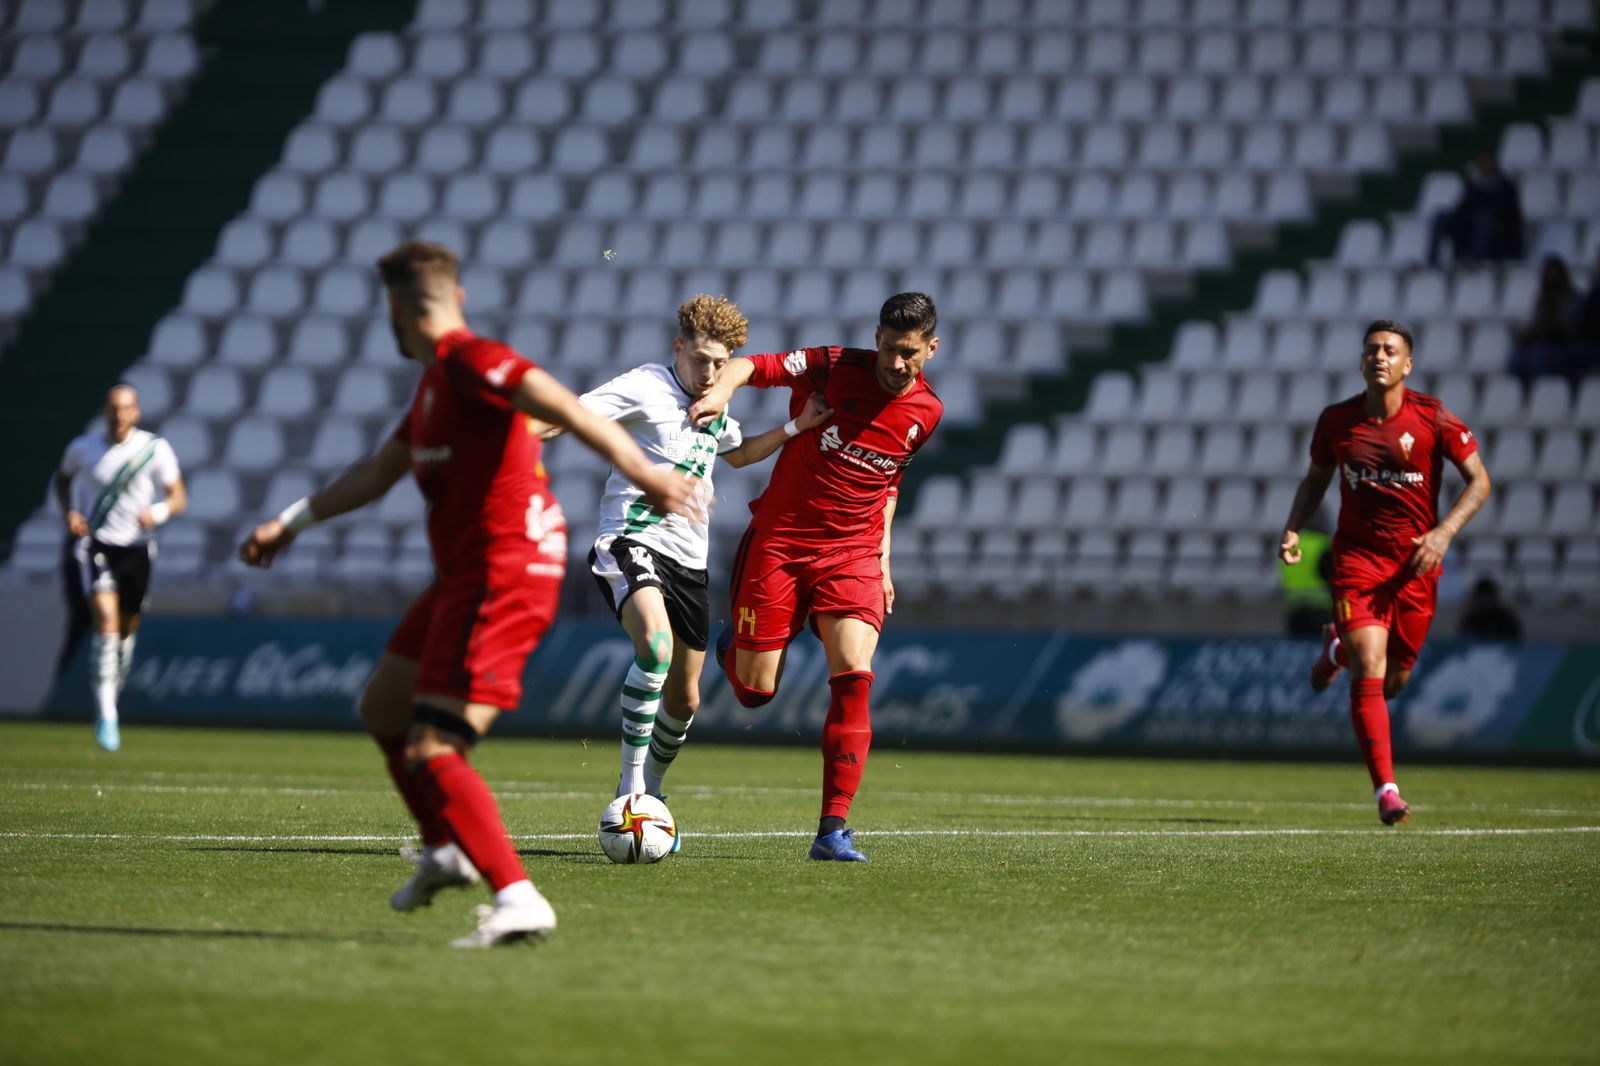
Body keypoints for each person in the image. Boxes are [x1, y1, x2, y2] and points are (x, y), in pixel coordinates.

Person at [238, 240, 691, 948]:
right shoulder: (434, 388)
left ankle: (517, 898)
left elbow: (563, 405)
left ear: (396, 309)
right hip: (463, 574)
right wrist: (289, 523)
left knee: (434, 747)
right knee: (384, 706)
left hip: (505, 569)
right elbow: (377, 471)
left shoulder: (475, 361)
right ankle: (445, 851)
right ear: (456, 297)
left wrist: (649, 474)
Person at [540, 295, 833, 816]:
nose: (710, 373)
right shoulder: (646, 385)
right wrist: (514, 432)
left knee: (686, 699)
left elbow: (739, 454)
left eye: (721, 364)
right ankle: (631, 791)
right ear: (678, 348)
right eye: (701, 360)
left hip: (689, 564)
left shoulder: (715, 404)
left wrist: (796, 427)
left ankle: (652, 790)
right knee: (654, 649)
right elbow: (571, 415)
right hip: (631, 540)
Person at [687, 293, 944, 863]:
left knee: (854, 673)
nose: (895, 362)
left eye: (908, 352)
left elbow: (890, 484)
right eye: (888, 347)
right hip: (781, 542)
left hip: (852, 553)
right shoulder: (833, 366)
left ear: (931, 348)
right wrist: (722, 391)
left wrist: (882, 559)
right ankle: (736, 646)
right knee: (755, 693)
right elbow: (752, 365)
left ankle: (832, 830)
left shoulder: (927, 412)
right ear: (876, 337)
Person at [1279, 320, 1491, 825]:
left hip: (1416, 564)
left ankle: (1336, 650)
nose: (1380, 356)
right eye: (1372, 349)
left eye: (1390, 351)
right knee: (1370, 663)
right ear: (1361, 361)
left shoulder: (1432, 416)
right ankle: (1387, 792)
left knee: (1393, 681)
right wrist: (1292, 528)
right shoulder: (1336, 421)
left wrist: (1443, 534)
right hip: (1357, 560)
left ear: (1407, 364)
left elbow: (1480, 481)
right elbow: (1315, 481)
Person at [54, 384, 187, 752]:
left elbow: (179, 496)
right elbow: (62, 481)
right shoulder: (82, 449)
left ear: (136, 412)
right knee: (106, 624)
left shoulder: (154, 449)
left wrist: (158, 511)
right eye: (114, 408)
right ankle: (106, 713)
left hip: (138, 549)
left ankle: (112, 689)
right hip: (97, 545)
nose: (119, 415)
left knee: (127, 630)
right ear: (105, 411)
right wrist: (70, 512)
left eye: (126, 408)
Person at [1427, 150, 1524, 266]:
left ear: (1494, 164)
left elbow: (1509, 220)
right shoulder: (1474, 188)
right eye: (1481, 163)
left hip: (1496, 241)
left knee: (1484, 220)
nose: (1484, 166)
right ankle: (1432, 263)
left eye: (1487, 163)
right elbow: (1460, 212)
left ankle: (1476, 263)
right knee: (1441, 217)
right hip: (1469, 233)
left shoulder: (1506, 188)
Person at [1507, 254, 1582, 383]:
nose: (1550, 277)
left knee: (1538, 356)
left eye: (1553, 274)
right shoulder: (1542, 299)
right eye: (1547, 274)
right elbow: (1536, 324)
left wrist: (1547, 330)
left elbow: (1567, 329)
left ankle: (1542, 389)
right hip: (1541, 343)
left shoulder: (1572, 299)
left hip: (1563, 347)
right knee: (1516, 356)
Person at [1458, 576, 1522, 642]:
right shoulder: (1471, 619)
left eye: (1487, 597)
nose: (1484, 601)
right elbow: (1462, 639)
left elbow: (1516, 640)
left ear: (1493, 597)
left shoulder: (1505, 618)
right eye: (1481, 598)